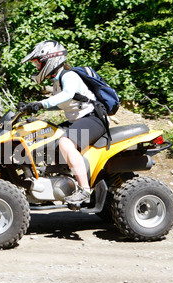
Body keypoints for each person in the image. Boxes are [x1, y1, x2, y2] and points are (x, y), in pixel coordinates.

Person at [20, 40, 108, 205]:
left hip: (94, 118)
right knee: (46, 137)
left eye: (38, 64)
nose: (37, 68)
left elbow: (67, 94)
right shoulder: (57, 81)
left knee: (66, 143)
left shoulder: (69, 76)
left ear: (50, 60)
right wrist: (32, 108)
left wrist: (42, 103)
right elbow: (64, 103)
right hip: (80, 119)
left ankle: (84, 191)